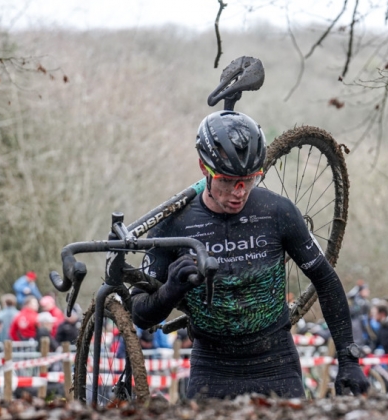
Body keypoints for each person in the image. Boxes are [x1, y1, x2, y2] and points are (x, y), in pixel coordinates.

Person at [131, 110, 368, 399]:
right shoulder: (173, 224)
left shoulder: (277, 211)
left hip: (276, 363)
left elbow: (325, 280)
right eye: (228, 180)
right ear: (204, 169)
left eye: (249, 179)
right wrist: (170, 291)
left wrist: (348, 358)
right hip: (212, 368)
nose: (239, 191)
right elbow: (139, 314)